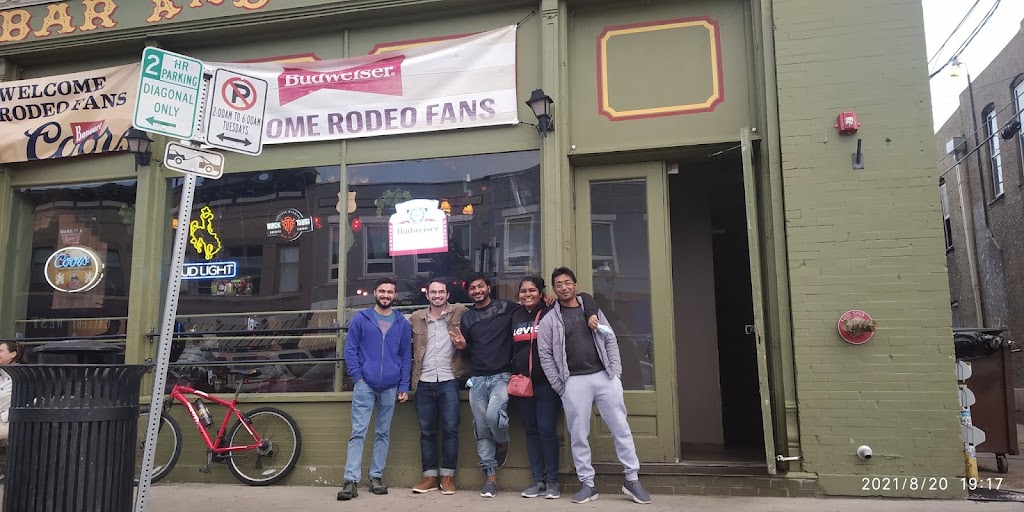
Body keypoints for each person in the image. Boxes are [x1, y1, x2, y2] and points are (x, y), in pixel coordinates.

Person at [536, 267, 652, 505]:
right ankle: (588, 484)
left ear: (575, 285)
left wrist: (615, 373)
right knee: (579, 435)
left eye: (568, 283)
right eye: (559, 284)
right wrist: (561, 386)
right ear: (554, 289)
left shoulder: (592, 310)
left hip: (604, 377)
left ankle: (632, 479)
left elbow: (609, 337)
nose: (564, 287)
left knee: (621, 428)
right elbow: (545, 355)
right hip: (573, 382)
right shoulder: (549, 320)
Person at [511, 276, 600, 500]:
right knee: (531, 431)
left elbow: (584, 299)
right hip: (522, 384)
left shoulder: (551, 311)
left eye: (532, 290)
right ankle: (537, 481)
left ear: (541, 293)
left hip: (547, 384)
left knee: (547, 430)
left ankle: (552, 482)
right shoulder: (514, 315)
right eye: (523, 291)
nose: (527, 294)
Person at [338, 277, 412, 501]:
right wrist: (358, 377)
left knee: (383, 433)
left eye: (390, 292)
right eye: (382, 291)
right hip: (365, 385)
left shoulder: (401, 323)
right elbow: (350, 349)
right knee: (358, 433)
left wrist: (404, 385)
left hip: (390, 386)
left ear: (394, 295)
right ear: (375, 293)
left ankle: (375, 477)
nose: (386, 295)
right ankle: (350, 480)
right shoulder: (362, 319)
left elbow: (405, 355)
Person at [408, 279, 469, 495]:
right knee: (427, 432)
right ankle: (430, 477)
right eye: (433, 292)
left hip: (449, 379)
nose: (437, 295)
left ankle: (447, 477)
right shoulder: (416, 317)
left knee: (451, 429)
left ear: (447, 294)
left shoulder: (460, 312)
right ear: (427, 295)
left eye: (441, 292)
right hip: (423, 382)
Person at [0, 340, 22, 443]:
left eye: (0, 351)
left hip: (10, 424)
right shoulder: (2, 376)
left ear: (13, 354)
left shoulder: (21, 376)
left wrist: (4, 416)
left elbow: (29, 403)